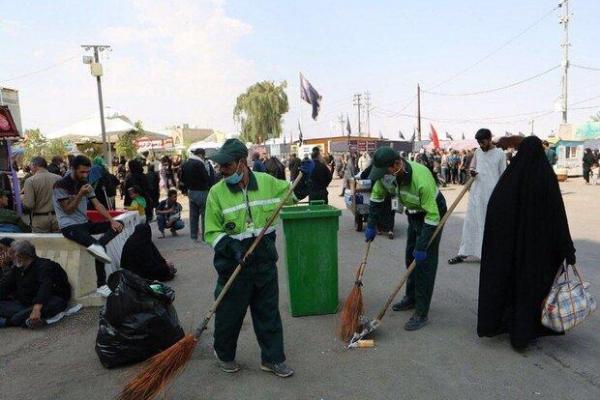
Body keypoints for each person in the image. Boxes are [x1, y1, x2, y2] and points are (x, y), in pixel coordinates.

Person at [204, 138, 312, 378]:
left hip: (263, 261)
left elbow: (292, 196)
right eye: (220, 166)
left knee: (268, 314)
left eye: (227, 165)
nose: (222, 170)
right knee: (229, 315)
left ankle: (273, 359)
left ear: (242, 163)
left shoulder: (267, 183)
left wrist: (305, 178)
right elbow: (211, 231)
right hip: (233, 263)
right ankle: (224, 354)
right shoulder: (216, 193)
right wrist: (233, 248)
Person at [478, 136, 576, 349]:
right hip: (538, 253)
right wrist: (568, 250)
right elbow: (558, 216)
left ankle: (515, 330)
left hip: (512, 252)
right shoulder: (546, 177)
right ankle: (529, 330)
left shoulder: (510, 179)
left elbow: (496, 210)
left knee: (514, 289)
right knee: (533, 290)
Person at [365, 147, 447, 331]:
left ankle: (421, 312)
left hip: (432, 213)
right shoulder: (385, 176)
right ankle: (411, 298)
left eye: (385, 171)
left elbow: (432, 216)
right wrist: (371, 224)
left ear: (396, 164)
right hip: (413, 213)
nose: (383, 176)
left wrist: (423, 245)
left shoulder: (421, 179)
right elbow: (377, 198)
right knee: (410, 258)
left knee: (424, 263)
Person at [53, 155, 124, 296]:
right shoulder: (60, 185)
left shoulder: (85, 183)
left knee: (120, 224)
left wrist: (111, 220)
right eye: (82, 172)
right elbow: (68, 209)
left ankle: (100, 244)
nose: (85, 175)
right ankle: (102, 285)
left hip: (85, 223)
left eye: (87, 172)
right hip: (70, 226)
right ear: (73, 169)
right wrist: (79, 194)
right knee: (98, 248)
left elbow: (97, 204)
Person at [449, 129, 506, 264]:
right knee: (471, 223)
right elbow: (472, 168)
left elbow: (504, 175)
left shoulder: (500, 154)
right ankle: (463, 253)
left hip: (492, 195)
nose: (481, 145)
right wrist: (472, 172)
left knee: (488, 225)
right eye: (479, 142)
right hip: (476, 193)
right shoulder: (478, 152)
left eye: (483, 142)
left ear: (490, 139)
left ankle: (488, 255)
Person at [0, 240, 71, 329]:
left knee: (55, 304)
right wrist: (4, 268)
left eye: (12, 255)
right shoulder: (17, 268)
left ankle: (10, 322)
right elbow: (4, 286)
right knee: (18, 311)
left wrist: (36, 309)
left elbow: (45, 288)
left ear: (20, 256)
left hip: (47, 301)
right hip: (26, 305)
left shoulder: (44, 266)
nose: (10, 258)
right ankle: (25, 318)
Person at [21, 157, 61, 233]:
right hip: (57, 218)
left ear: (35, 165)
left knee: (41, 244)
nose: (30, 169)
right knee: (58, 243)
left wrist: (22, 198)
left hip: (39, 219)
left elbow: (29, 204)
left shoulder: (30, 181)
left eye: (31, 166)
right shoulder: (58, 178)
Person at [181, 148, 212, 241]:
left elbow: (182, 179)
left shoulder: (185, 164)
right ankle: (204, 236)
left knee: (193, 215)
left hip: (191, 192)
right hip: (201, 191)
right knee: (204, 214)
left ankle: (193, 235)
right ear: (201, 155)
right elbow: (206, 177)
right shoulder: (199, 164)